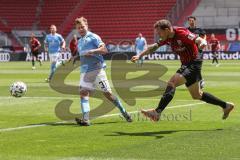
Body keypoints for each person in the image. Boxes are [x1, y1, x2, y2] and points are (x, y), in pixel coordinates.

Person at [131, 19, 234, 122]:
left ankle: (157, 112)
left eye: (159, 32)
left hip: (193, 63)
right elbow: (154, 47)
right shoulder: (167, 37)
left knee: (172, 82)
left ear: (166, 30)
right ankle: (226, 105)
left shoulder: (181, 33)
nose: (158, 35)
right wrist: (140, 55)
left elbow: (198, 40)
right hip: (187, 64)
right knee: (197, 95)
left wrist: (202, 42)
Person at [74, 17, 132, 126]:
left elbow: (104, 50)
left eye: (82, 27)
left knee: (108, 94)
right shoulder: (80, 41)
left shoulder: (93, 37)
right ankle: (86, 119)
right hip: (85, 72)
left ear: (87, 25)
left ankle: (124, 111)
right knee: (83, 93)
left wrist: (93, 51)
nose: (81, 29)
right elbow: (82, 55)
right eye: (79, 28)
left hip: (97, 71)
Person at [187, 16, 206, 89]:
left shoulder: (199, 30)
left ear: (195, 21)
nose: (191, 22)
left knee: (197, 67)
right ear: (188, 22)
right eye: (190, 20)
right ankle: (197, 80)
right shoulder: (186, 30)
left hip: (198, 51)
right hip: (189, 51)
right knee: (190, 67)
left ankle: (200, 80)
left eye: (192, 20)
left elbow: (204, 36)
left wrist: (203, 42)